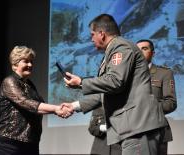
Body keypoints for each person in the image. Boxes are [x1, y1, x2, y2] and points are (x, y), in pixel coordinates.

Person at [62, 14, 167, 155]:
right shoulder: (113, 50)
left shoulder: (121, 46)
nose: (91, 39)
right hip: (132, 128)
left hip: (138, 127)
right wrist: (74, 106)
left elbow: (115, 82)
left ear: (102, 34)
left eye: (92, 34)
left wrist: (81, 82)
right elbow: (107, 91)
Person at [0, 46, 72, 155]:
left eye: (31, 61)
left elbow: (40, 106)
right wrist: (56, 109)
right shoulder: (9, 81)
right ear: (15, 64)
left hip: (31, 143)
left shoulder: (30, 85)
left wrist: (60, 109)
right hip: (10, 144)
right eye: (26, 61)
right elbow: (27, 103)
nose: (30, 65)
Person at [136, 39, 177, 155]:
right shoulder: (127, 75)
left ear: (153, 53)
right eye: (137, 50)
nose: (140, 52)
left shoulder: (164, 73)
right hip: (131, 133)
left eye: (144, 49)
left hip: (157, 131)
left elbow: (171, 103)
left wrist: (148, 108)